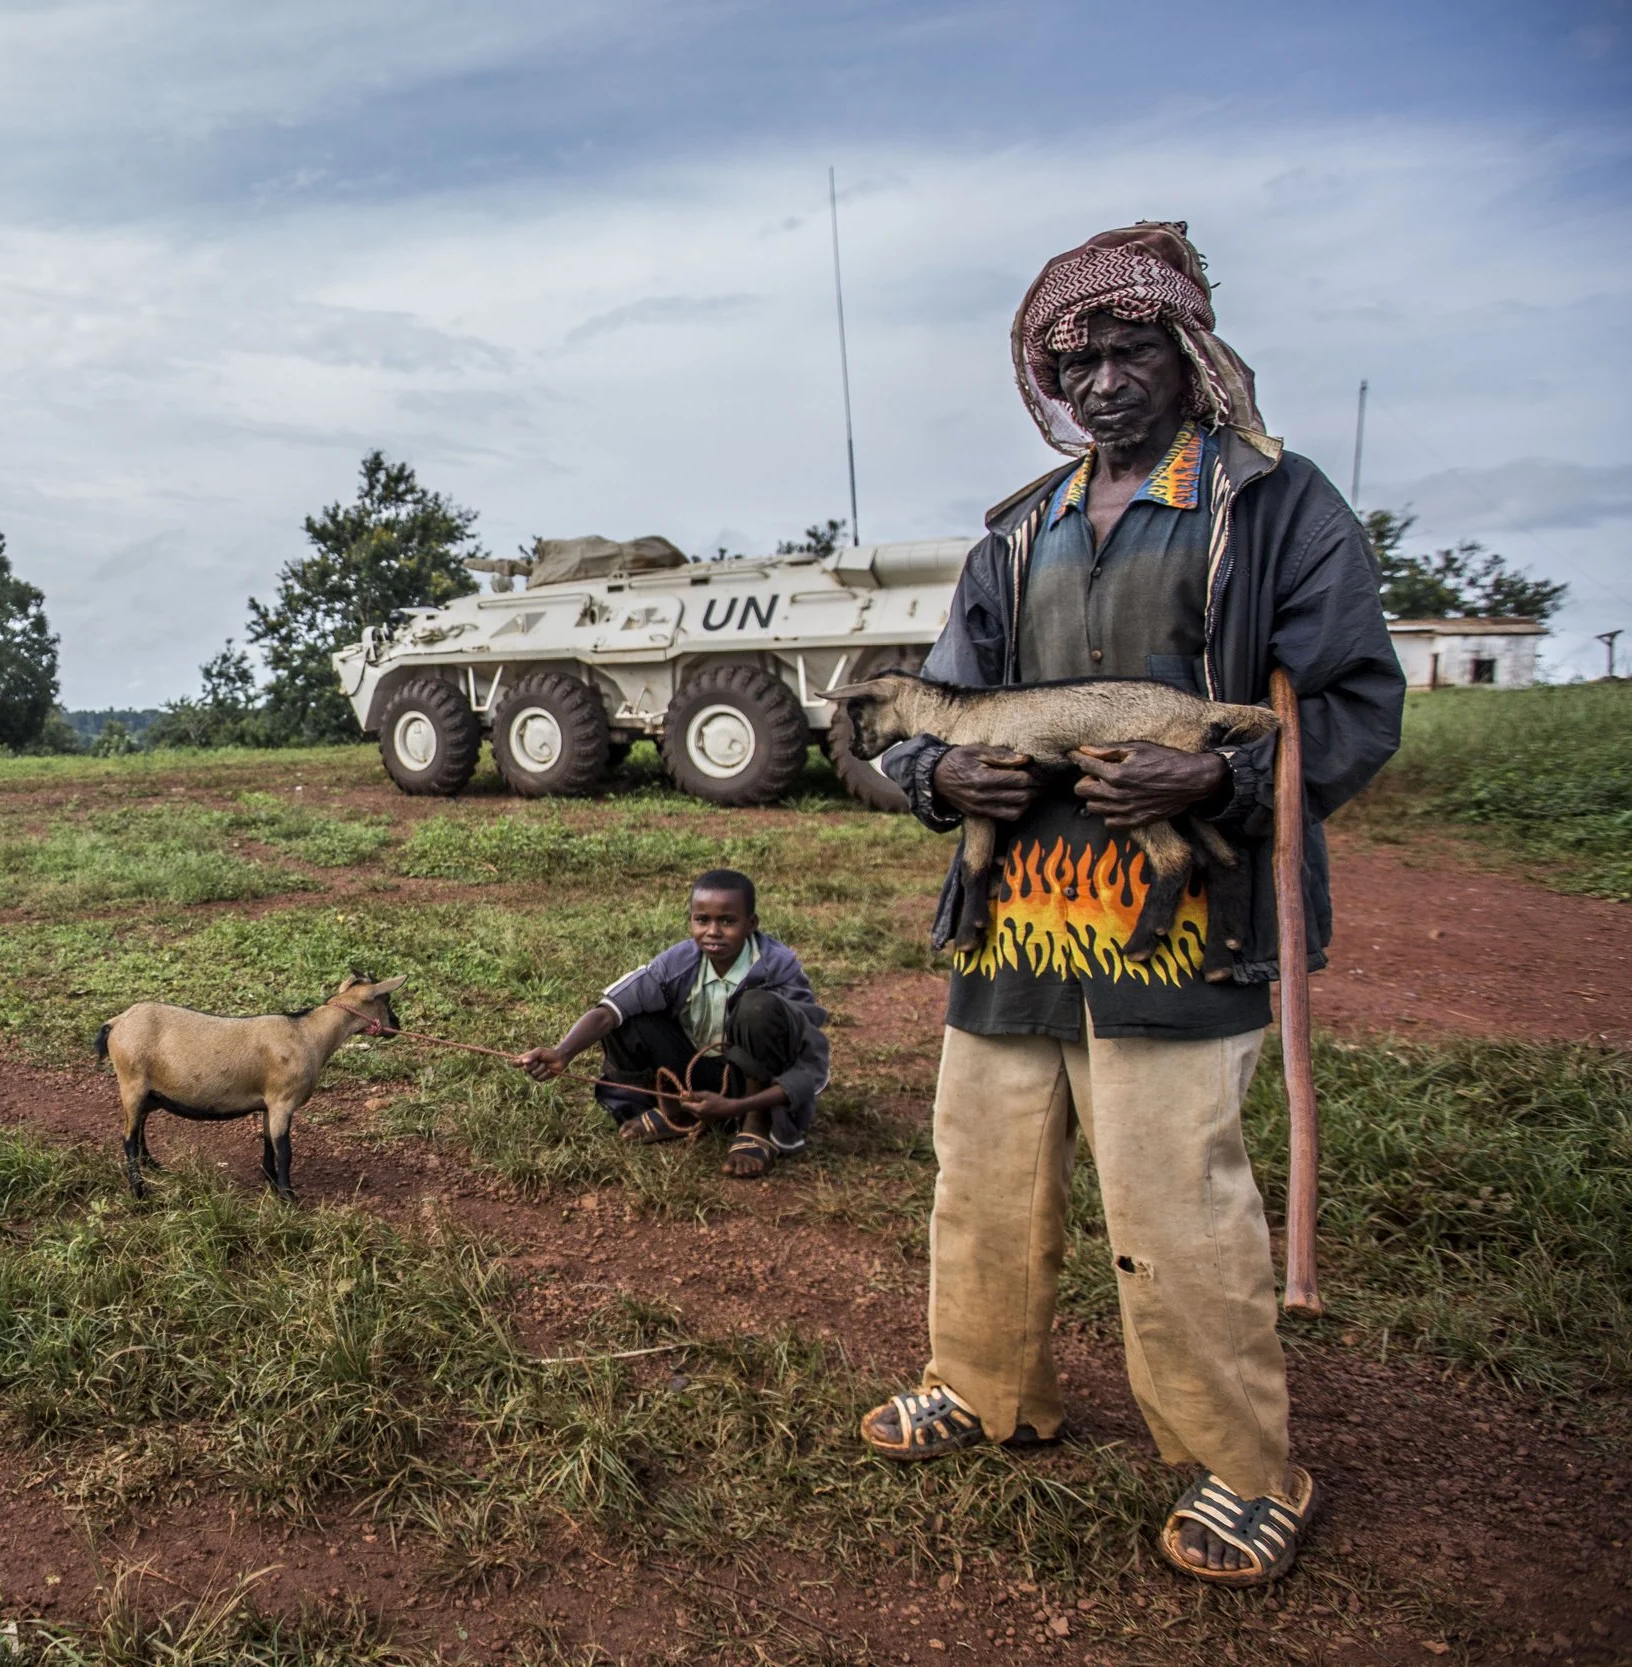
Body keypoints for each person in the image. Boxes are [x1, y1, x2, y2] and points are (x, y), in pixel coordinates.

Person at [855, 223, 1403, 1588]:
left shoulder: (1272, 504)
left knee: (1174, 1196)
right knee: (981, 1172)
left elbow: (1353, 703)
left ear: (1188, 349)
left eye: (1128, 347)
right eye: (1073, 356)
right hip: (1017, 919)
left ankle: (1244, 1461)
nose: (1100, 379)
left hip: (1179, 917)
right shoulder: (1020, 532)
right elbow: (931, 713)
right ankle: (986, 1385)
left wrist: (1213, 768)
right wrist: (942, 773)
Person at [513, 869, 829, 1179]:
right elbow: (608, 1010)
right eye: (702, 920)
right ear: (691, 920)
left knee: (756, 1007)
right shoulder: (680, 962)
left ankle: (756, 1125)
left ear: (751, 924)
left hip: (754, 1082)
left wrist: (735, 1106)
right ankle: (675, 1111)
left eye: (728, 921)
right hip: (695, 1073)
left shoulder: (779, 970)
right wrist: (563, 1053)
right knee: (625, 1019)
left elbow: (809, 1071)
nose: (713, 931)